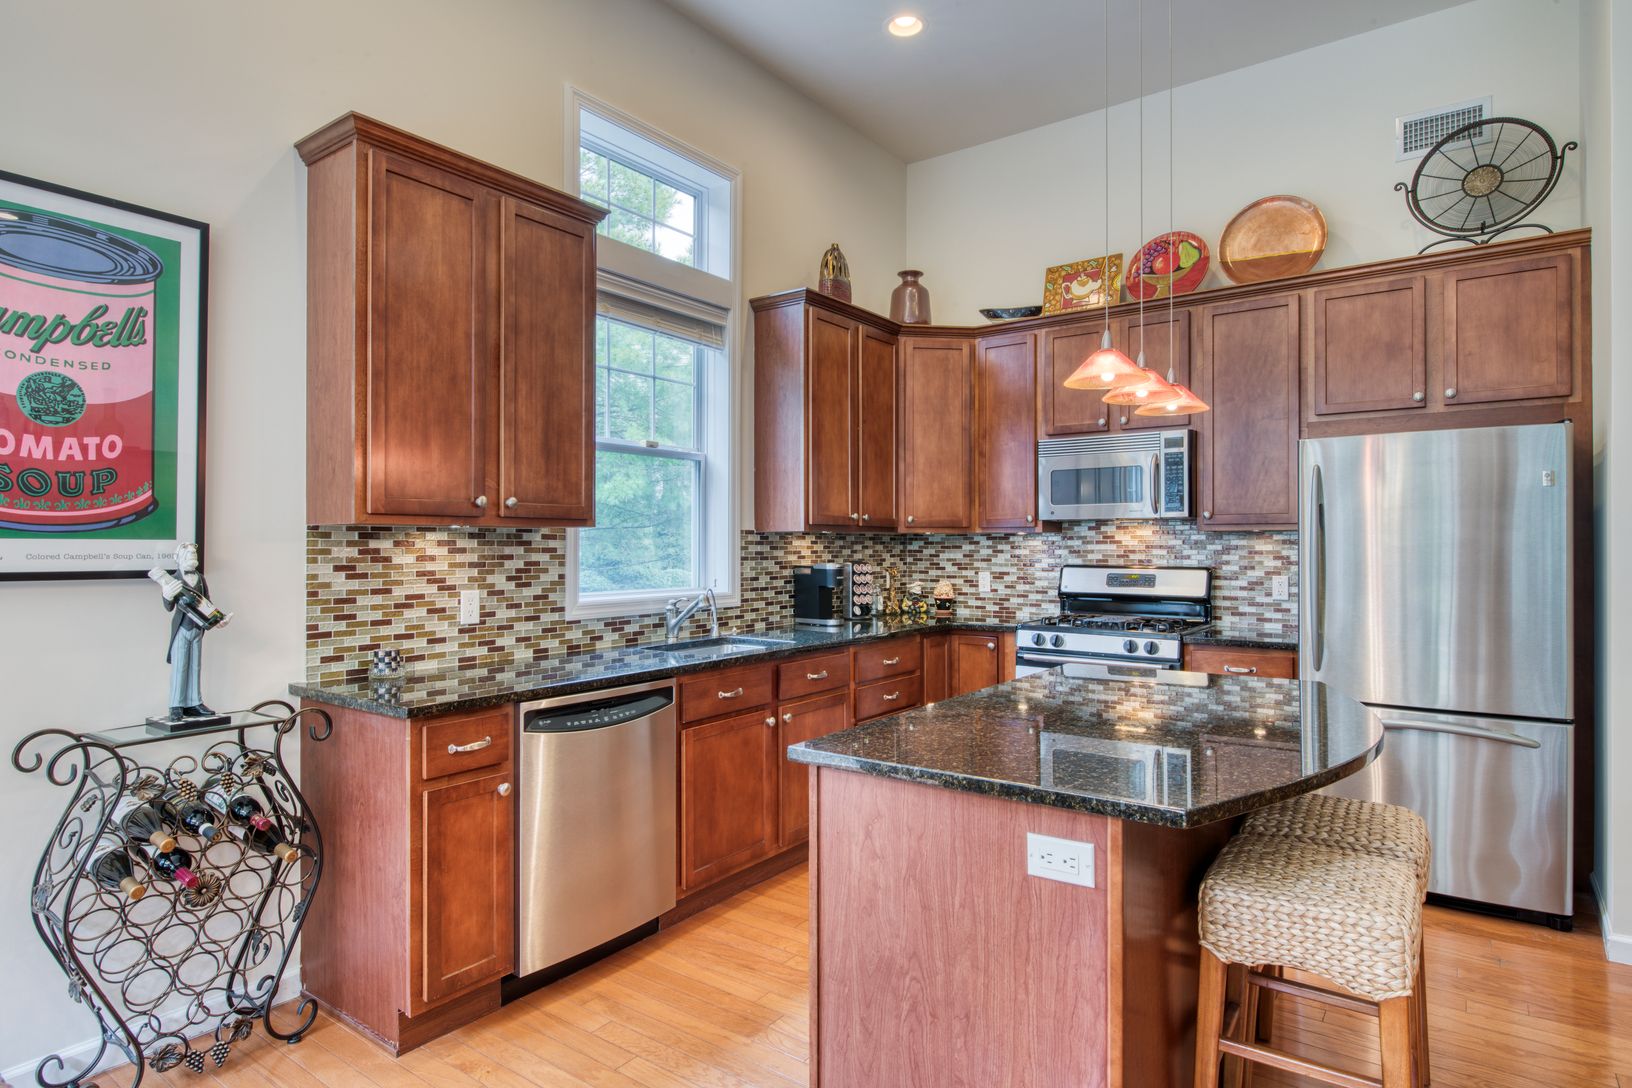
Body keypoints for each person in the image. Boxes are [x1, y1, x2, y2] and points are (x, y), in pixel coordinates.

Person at [152, 542, 230, 720]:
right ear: (179, 558)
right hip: (182, 628)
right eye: (188, 555)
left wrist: (218, 619)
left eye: (194, 555)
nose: (192, 558)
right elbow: (168, 606)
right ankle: (176, 705)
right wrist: (167, 594)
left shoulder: (201, 579)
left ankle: (194, 702)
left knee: (196, 666)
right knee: (180, 667)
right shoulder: (172, 580)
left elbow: (207, 603)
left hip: (197, 630)